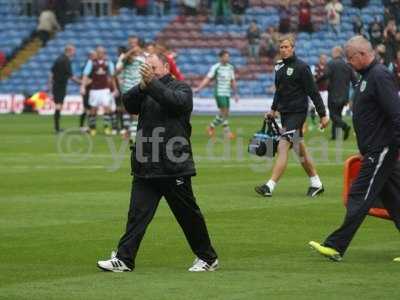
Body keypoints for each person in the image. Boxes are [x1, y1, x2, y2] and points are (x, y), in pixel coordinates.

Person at [97, 52, 219, 272]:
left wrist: (151, 84)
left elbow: (175, 103)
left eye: (152, 67)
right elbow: (128, 103)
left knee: (188, 215)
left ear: (166, 67)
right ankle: (124, 259)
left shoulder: (181, 89)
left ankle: (208, 258)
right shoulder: (146, 89)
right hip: (146, 162)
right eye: (146, 68)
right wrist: (143, 86)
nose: (148, 72)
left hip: (173, 164)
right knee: (137, 214)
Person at [309, 36, 400, 262]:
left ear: (362, 54)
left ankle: (336, 245)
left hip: (381, 149)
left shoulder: (379, 76)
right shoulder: (366, 77)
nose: (348, 62)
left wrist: (390, 146)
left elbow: (396, 113)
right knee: (395, 200)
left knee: (358, 195)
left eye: (350, 58)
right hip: (375, 150)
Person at [254, 34, 329, 198]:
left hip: (298, 113)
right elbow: (278, 91)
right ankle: (316, 183)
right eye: (281, 47)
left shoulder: (302, 67)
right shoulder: (278, 67)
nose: (284, 50)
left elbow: (313, 92)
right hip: (285, 113)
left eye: (287, 47)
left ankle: (269, 186)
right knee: (299, 148)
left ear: (293, 48)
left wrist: (323, 114)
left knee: (282, 146)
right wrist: (273, 110)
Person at [194, 49, 239, 140]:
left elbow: (233, 81)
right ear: (220, 57)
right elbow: (208, 78)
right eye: (225, 57)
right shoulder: (216, 67)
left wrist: (235, 93)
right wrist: (199, 88)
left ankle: (214, 128)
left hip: (227, 93)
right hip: (219, 93)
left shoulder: (230, 67)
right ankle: (221, 130)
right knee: (224, 112)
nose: (227, 58)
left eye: (228, 57)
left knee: (225, 113)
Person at [317, 46, 357, 140]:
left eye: (333, 51)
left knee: (333, 115)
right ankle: (335, 136)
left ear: (336, 53)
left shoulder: (331, 64)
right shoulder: (347, 65)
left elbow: (325, 75)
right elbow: (354, 80)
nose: (331, 53)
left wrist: (316, 81)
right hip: (344, 95)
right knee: (337, 114)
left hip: (333, 93)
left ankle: (345, 127)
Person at [80, 46, 116, 136]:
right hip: (94, 90)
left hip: (105, 89)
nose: (100, 54)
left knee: (106, 108)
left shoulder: (108, 63)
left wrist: (114, 88)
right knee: (93, 109)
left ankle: (107, 127)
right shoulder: (91, 62)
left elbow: (112, 76)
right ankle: (92, 128)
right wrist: (83, 86)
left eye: (102, 52)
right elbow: (85, 75)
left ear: (104, 53)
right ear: (96, 53)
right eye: (99, 52)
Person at [115, 40, 146, 139]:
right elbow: (117, 70)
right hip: (127, 88)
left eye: (135, 45)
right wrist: (130, 52)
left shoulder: (143, 58)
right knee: (128, 111)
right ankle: (128, 131)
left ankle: (131, 134)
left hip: (138, 87)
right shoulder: (125, 58)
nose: (134, 48)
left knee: (136, 112)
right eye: (132, 46)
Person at [49, 44, 80, 134]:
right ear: (69, 51)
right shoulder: (66, 61)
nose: (74, 53)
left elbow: (51, 73)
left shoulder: (58, 59)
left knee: (58, 105)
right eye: (73, 51)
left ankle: (57, 128)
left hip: (56, 85)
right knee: (59, 106)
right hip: (60, 86)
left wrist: (50, 85)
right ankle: (57, 128)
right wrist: (81, 83)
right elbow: (71, 76)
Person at [79, 50, 96, 132]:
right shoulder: (89, 64)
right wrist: (84, 86)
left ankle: (87, 126)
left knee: (88, 108)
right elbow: (85, 77)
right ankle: (84, 126)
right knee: (87, 108)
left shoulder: (92, 64)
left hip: (91, 89)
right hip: (87, 89)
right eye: (93, 55)